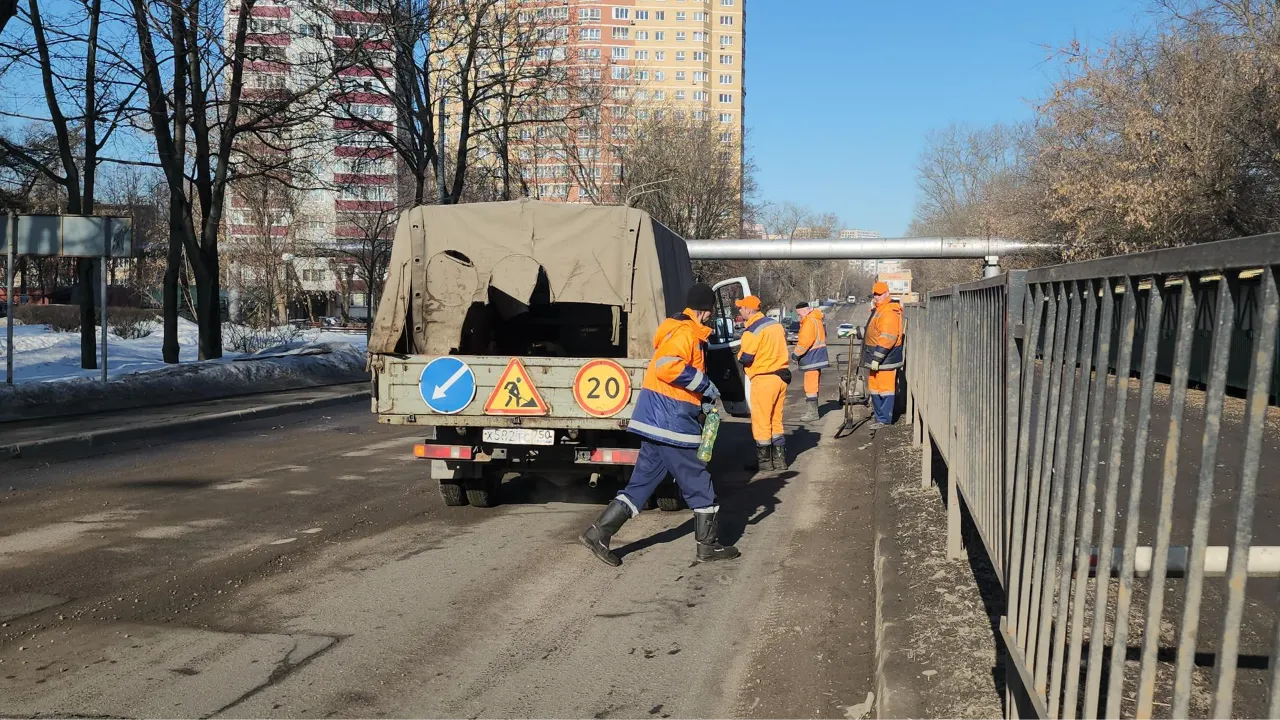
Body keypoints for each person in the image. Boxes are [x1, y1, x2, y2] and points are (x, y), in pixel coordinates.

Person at [579, 283, 741, 567]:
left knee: (640, 486)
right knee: (699, 482)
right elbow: (667, 366)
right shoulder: (687, 333)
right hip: (672, 424)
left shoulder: (677, 329)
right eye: (711, 312)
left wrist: (699, 396)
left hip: (655, 420)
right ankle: (708, 546)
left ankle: (598, 533)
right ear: (705, 311)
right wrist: (704, 384)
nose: (710, 317)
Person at [736, 295, 791, 471]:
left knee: (761, 421)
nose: (739, 310)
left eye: (741, 307)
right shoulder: (775, 325)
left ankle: (765, 462)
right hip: (780, 377)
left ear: (749, 310)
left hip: (763, 379)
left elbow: (746, 357)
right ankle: (780, 460)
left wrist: (738, 355)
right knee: (776, 420)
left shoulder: (752, 330)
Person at [862, 281, 904, 427]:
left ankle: (885, 419)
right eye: (874, 295)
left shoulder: (888, 312)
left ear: (886, 293)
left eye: (879, 294)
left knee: (885, 390)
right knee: (874, 388)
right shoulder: (879, 309)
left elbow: (888, 338)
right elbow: (874, 332)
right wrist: (858, 332)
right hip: (877, 358)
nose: (876, 297)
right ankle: (880, 417)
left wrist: (877, 358)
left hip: (886, 359)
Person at [792, 301, 829, 422]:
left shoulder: (809, 322)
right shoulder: (816, 319)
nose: (799, 317)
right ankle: (813, 411)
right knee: (813, 384)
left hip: (812, 357)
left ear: (805, 310)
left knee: (810, 386)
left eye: (799, 314)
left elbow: (805, 342)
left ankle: (812, 413)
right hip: (817, 356)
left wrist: (795, 354)